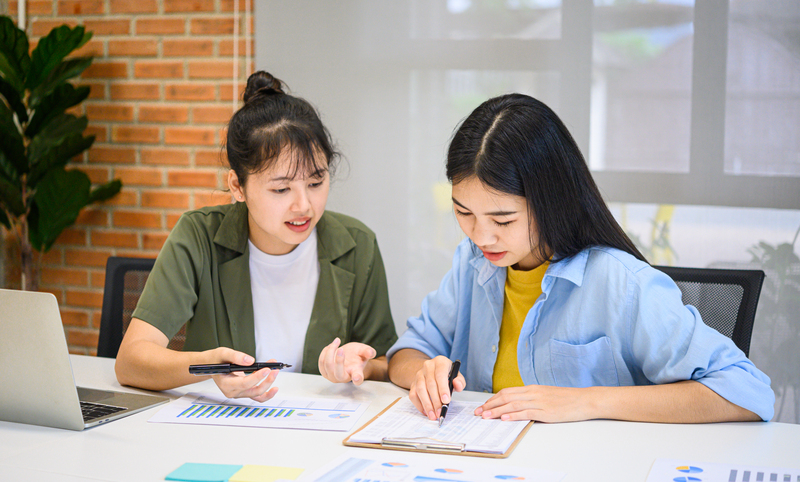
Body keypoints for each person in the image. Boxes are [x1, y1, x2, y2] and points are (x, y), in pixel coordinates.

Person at [387, 93, 775, 423]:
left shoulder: (621, 282)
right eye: (463, 213)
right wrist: (424, 371)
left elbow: (747, 390)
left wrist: (586, 401)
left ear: (550, 201)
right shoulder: (472, 263)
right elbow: (407, 350)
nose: (480, 236)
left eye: (502, 219)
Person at [116, 71, 397, 402]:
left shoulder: (358, 245)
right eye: (281, 188)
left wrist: (354, 364)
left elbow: (383, 364)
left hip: (319, 436)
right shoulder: (198, 236)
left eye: (316, 183)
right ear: (237, 187)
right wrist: (208, 366)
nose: (304, 206)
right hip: (219, 428)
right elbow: (131, 362)